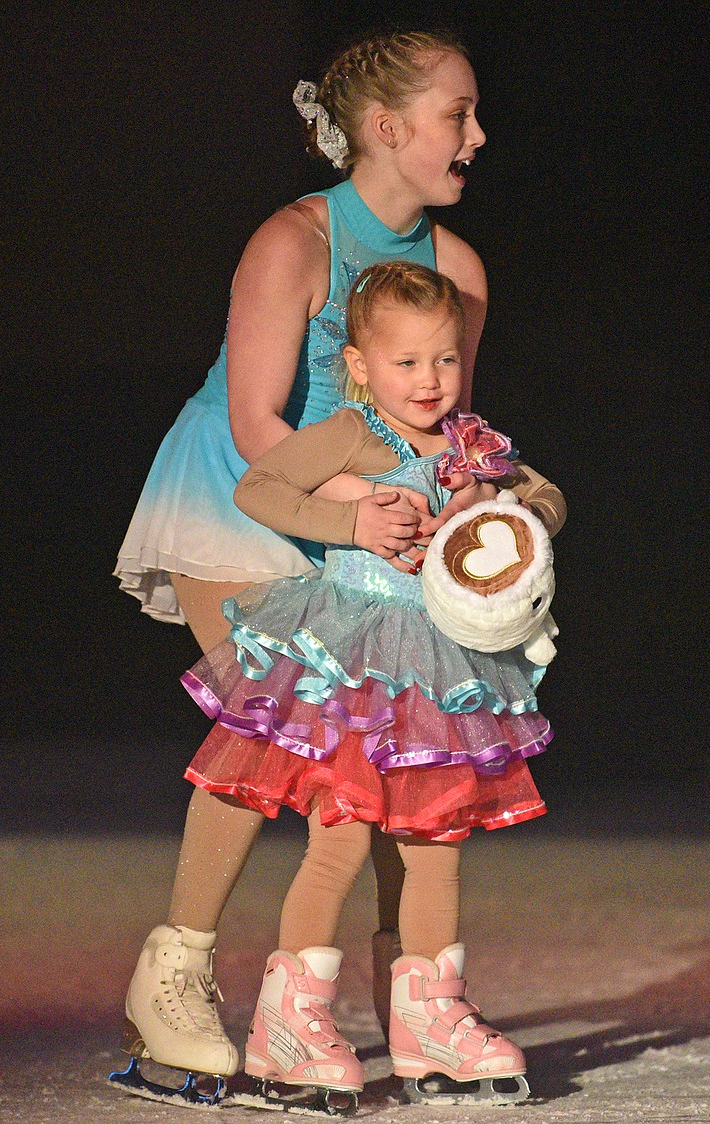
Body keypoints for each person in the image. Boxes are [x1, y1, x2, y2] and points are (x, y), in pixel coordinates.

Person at [111, 30, 495, 1105]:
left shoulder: (458, 269)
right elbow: (252, 419)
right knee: (274, 721)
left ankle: (412, 994)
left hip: (371, 511)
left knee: (397, 738)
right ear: (386, 129)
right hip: (242, 494)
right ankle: (174, 971)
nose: (477, 134)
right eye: (457, 113)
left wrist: (459, 509)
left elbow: (446, 433)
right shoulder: (292, 242)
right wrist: (361, 512)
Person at [179, 261, 565, 1112]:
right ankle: (292, 1023)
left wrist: (502, 506)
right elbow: (260, 486)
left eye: (445, 361)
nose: (429, 382)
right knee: (342, 838)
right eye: (406, 363)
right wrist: (349, 518)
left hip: (436, 671)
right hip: (351, 661)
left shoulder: (470, 443)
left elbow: (547, 497)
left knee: (436, 842)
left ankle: (427, 1018)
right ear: (359, 366)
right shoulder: (355, 437)